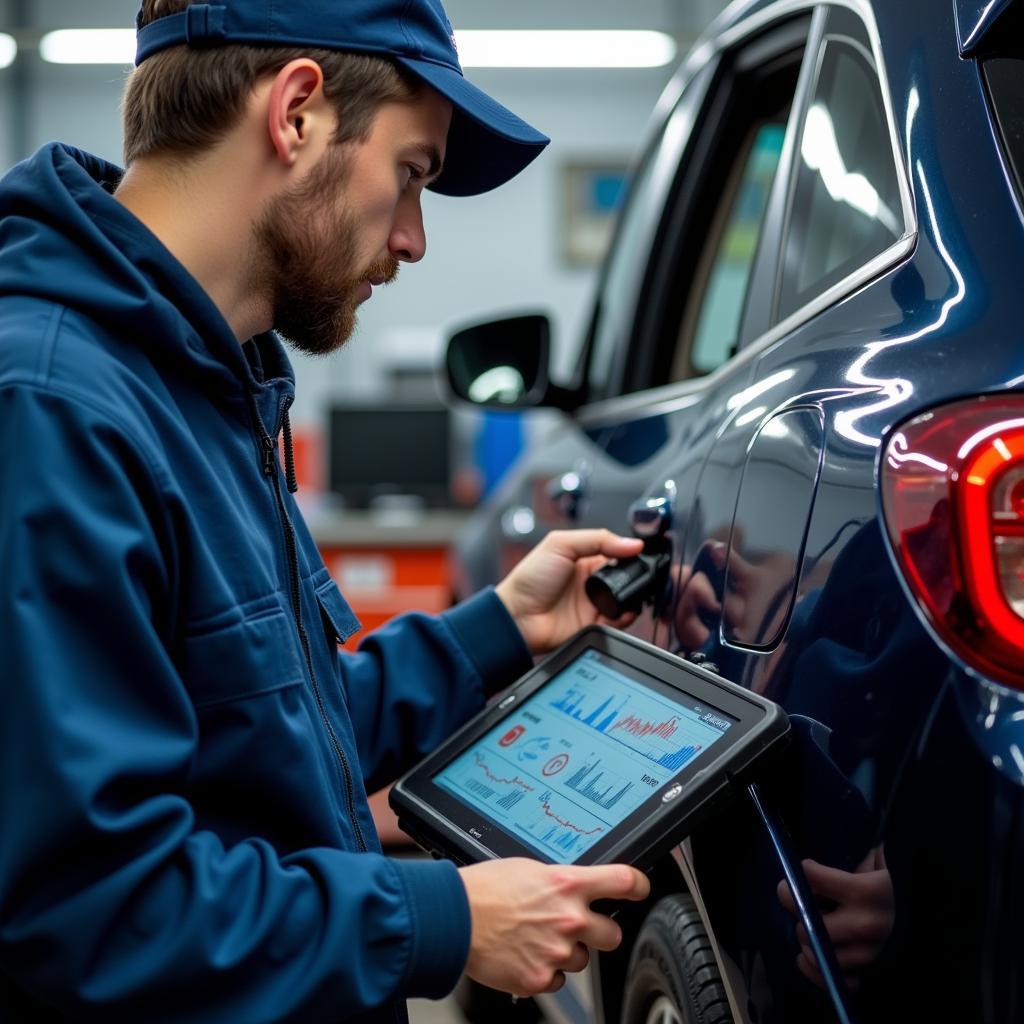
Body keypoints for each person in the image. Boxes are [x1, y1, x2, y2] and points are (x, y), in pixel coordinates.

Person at [0, 1, 651, 1019]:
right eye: (414, 173)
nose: (414, 238)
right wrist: (444, 918)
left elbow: (262, 732)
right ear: (297, 113)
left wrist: (504, 629)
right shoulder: (51, 410)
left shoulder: (211, 390)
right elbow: (89, 906)